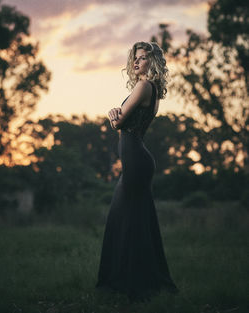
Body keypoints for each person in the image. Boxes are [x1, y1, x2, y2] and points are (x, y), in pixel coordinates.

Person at [95, 41, 179, 304]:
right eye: (135, 58)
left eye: (142, 58)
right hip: (138, 161)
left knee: (128, 219)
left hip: (137, 161)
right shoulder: (151, 90)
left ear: (151, 63)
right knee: (131, 218)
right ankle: (130, 280)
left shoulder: (143, 87)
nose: (136, 62)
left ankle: (132, 285)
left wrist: (111, 114)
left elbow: (119, 122)